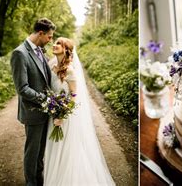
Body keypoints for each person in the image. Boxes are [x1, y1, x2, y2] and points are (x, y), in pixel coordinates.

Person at [44, 37, 115, 185]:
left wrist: (62, 115)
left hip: (65, 117)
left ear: (66, 50)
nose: (55, 45)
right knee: (54, 147)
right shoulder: (51, 65)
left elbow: (74, 95)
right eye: (55, 42)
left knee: (67, 150)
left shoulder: (69, 70)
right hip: (54, 114)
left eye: (59, 44)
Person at [11, 18, 55, 186]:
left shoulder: (40, 51)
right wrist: (46, 100)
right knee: (32, 151)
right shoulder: (19, 53)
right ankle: (31, 183)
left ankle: (40, 180)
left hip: (45, 112)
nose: (50, 40)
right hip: (33, 112)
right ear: (40, 33)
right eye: (49, 37)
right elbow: (22, 88)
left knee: (40, 152)